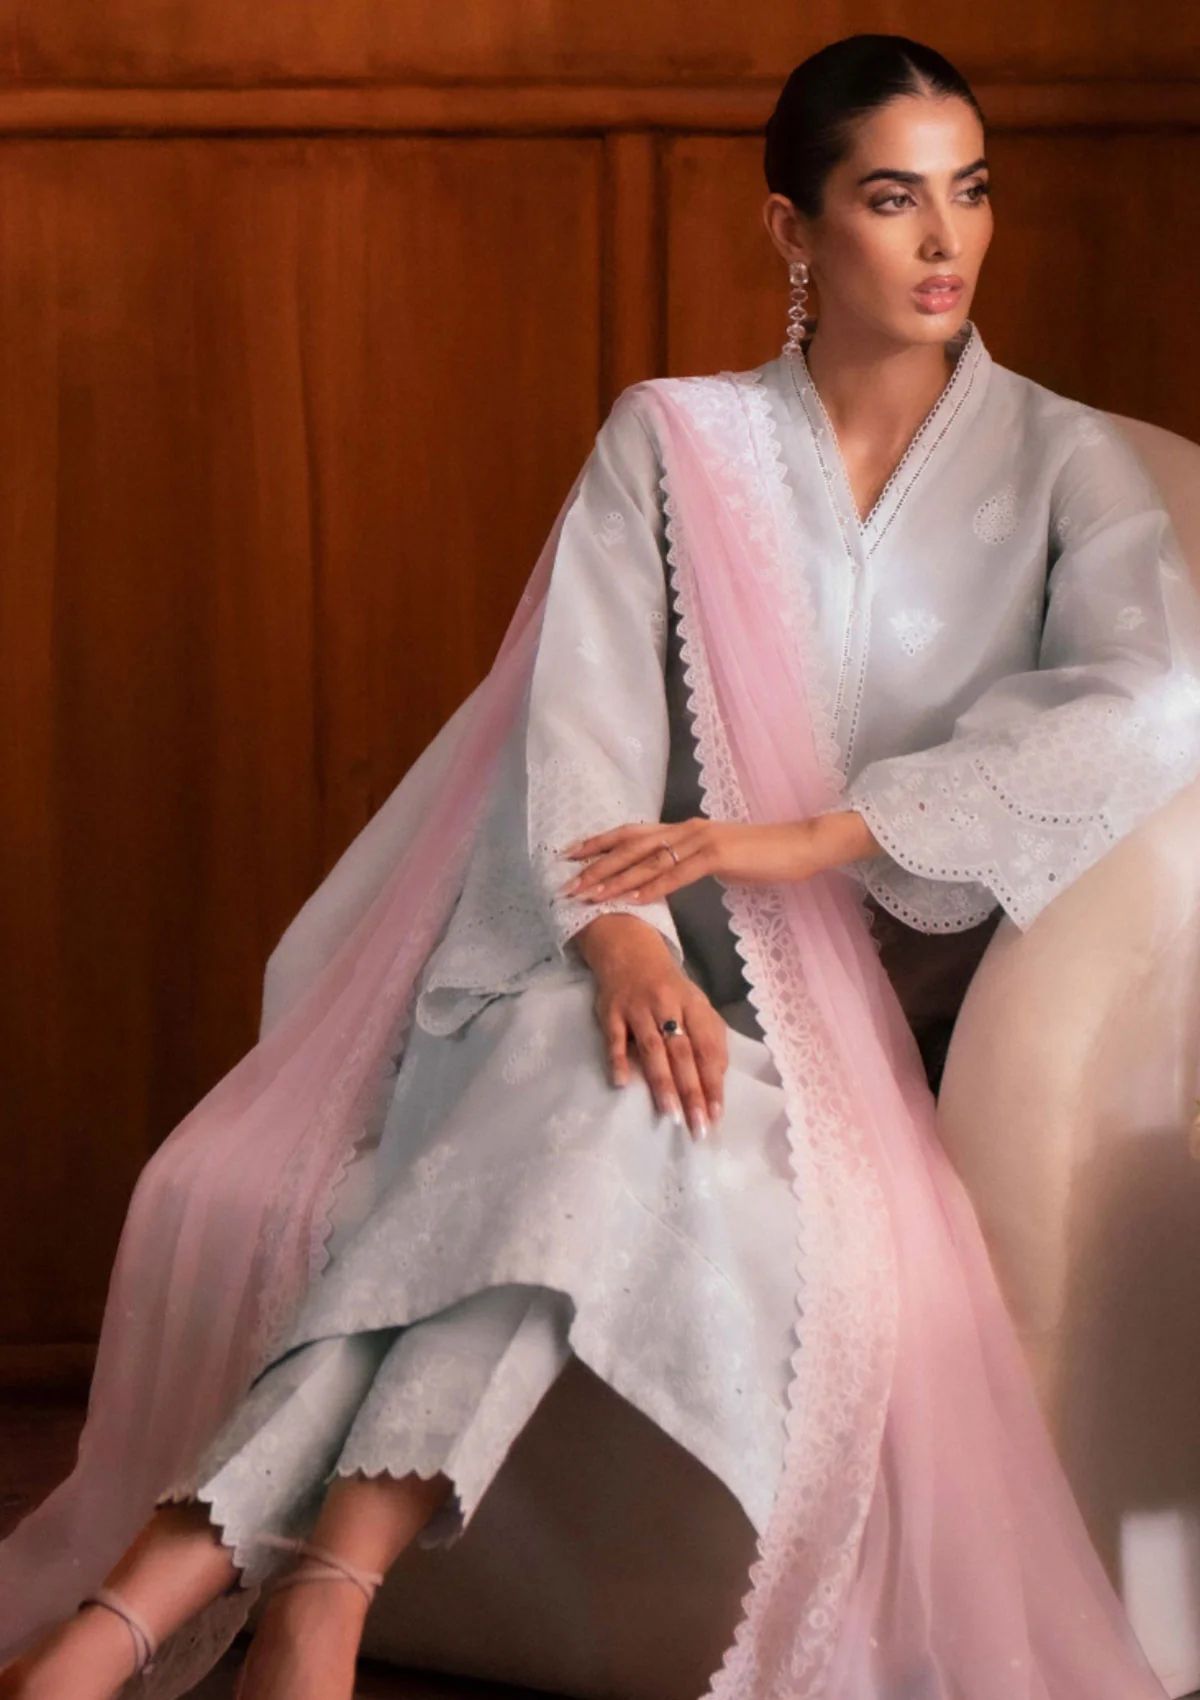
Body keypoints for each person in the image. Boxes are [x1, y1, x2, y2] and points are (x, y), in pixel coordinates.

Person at [3, 31, 1199, 1700]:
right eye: (892, 198)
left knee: (600, 1105)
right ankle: (322, 1605)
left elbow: (1152, 697)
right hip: (600, 971)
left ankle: (144, 1604)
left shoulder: (1067, 464)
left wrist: (823, 831)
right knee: (598, 1073)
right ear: (793, 229)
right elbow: (576, 725)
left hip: (858, 1041)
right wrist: (620, 937)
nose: (947, 242)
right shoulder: (676, 440)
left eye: (972, 191)